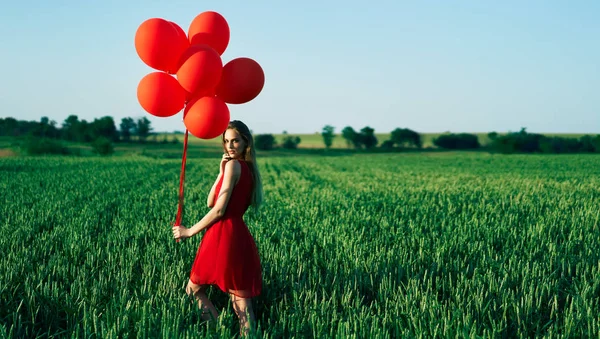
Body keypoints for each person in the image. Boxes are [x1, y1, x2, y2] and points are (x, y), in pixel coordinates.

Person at [172, 120, 263, 336]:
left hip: (223, 235)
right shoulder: (247, 168)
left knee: (193, 290)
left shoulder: (235, 166)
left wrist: (189, 231)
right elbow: (210, 201)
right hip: (238, 234)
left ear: (245, 142)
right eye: (226, 141)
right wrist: (220, 171)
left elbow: (219, 210)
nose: (230, 146)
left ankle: (216, 330)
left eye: (235, 141)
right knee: (240, 302)